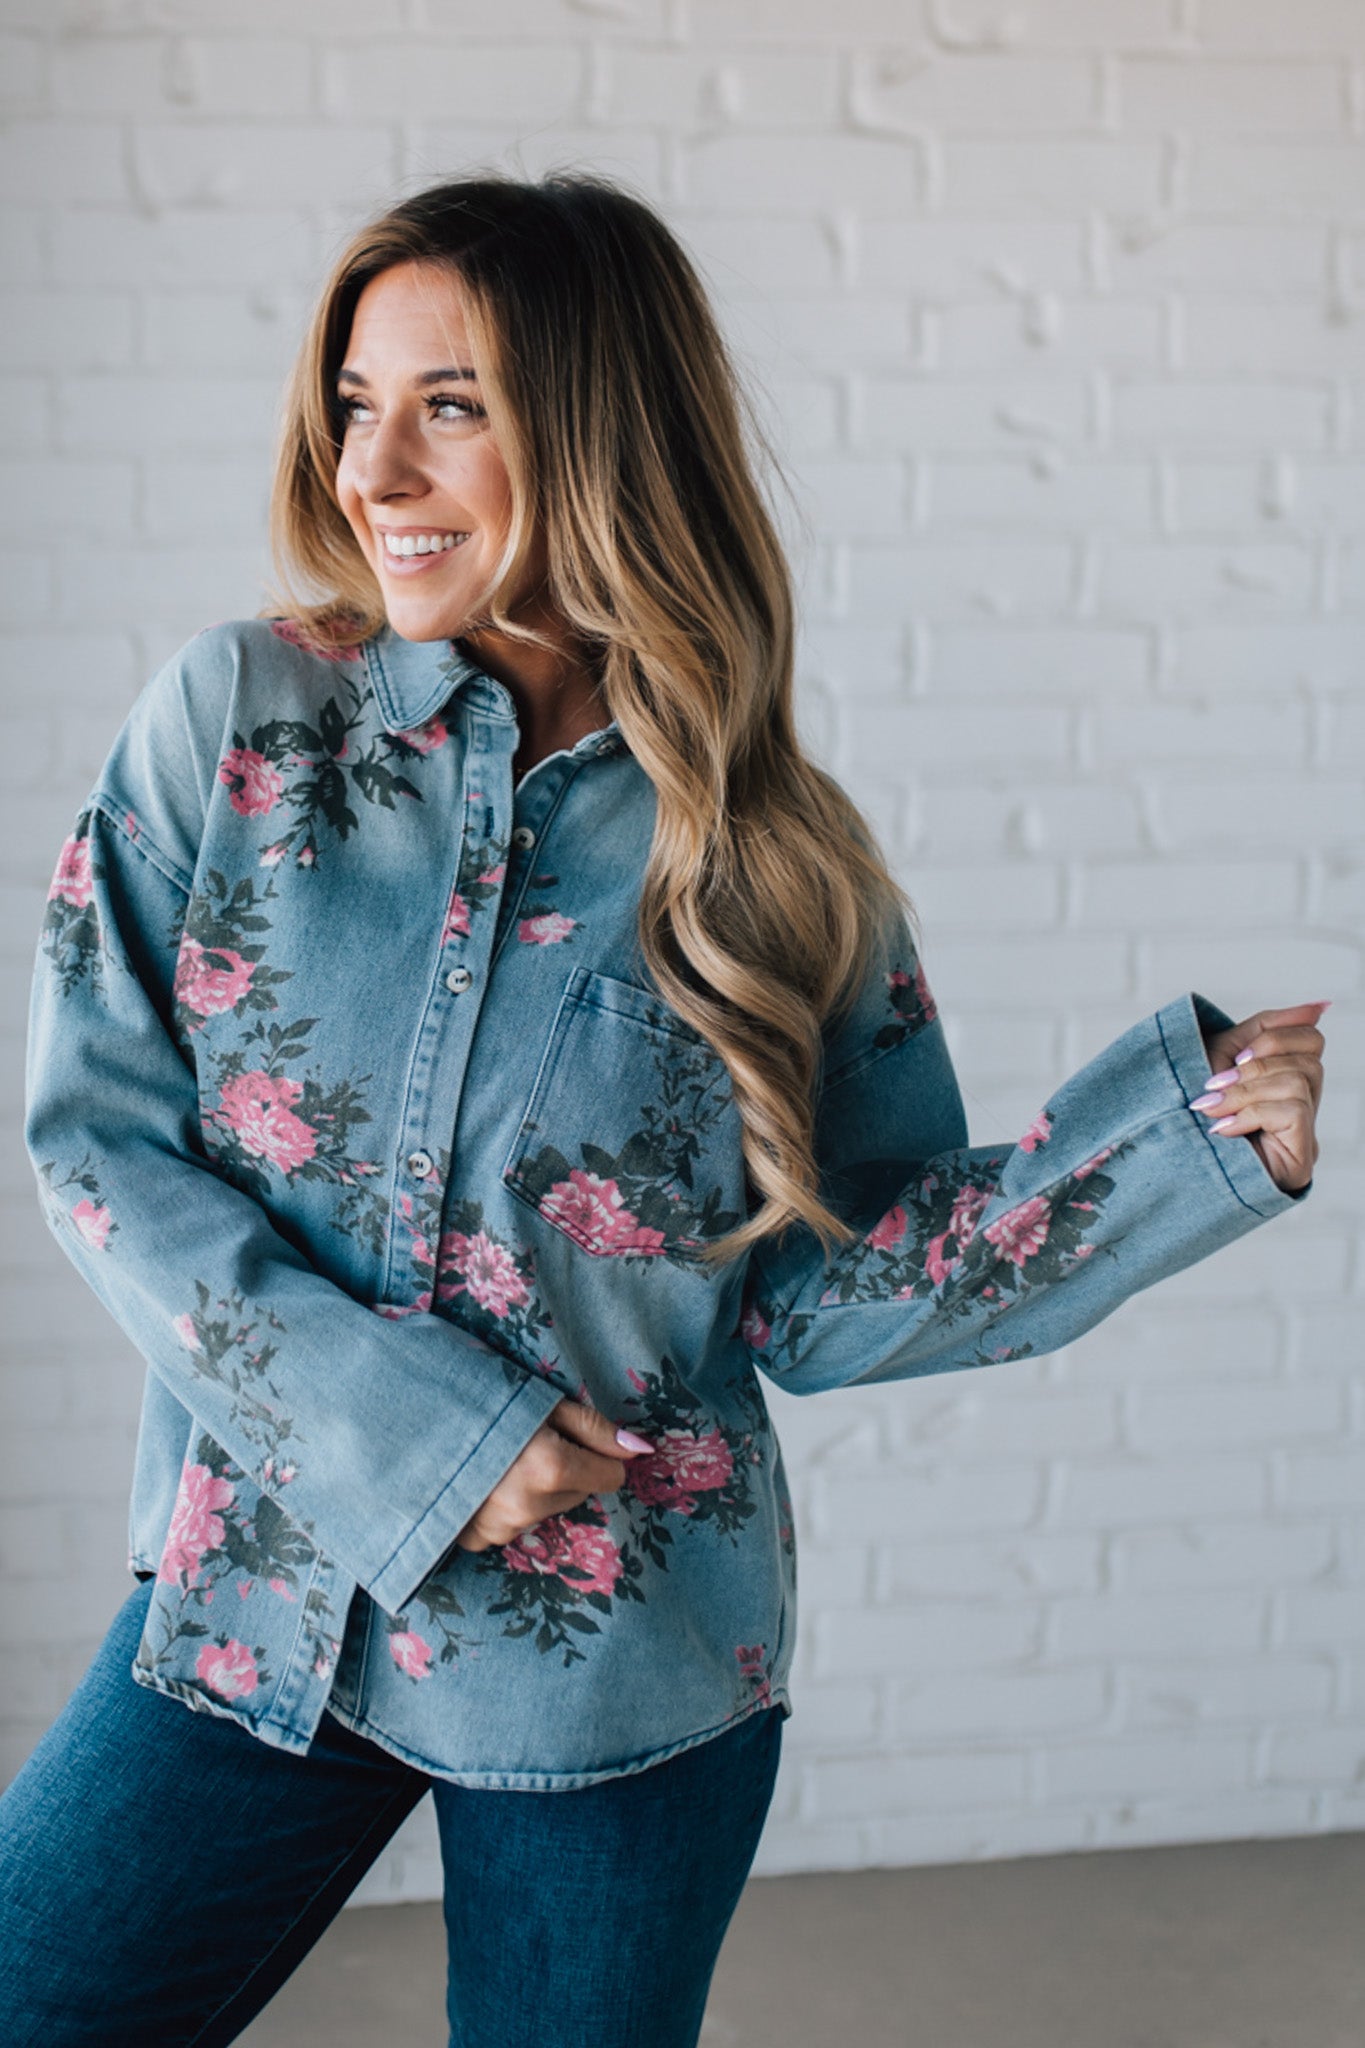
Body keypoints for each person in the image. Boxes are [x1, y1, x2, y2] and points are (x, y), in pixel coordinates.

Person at [0, 171, 1325, 2047]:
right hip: (257, 1602)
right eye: (355, 404)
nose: (375, 470)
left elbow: (826, 1281)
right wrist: (429, 1436)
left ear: (599, 429)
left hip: (615, 1668)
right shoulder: (233, 727)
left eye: (450, 406)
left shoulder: (775, 864)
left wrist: (1181, 1153)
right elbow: (95, 1146)